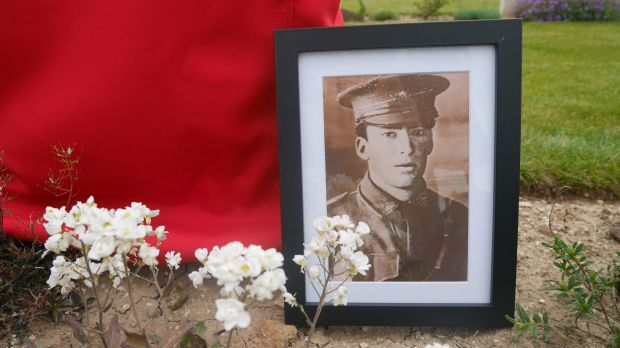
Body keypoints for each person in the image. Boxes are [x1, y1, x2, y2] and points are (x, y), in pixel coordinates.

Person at [328, 74, 468, 282]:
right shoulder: (331, 221)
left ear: (430, 143)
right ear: (363, 147)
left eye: (418, 132)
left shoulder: (458, 217)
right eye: (389, 134)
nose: (407, 148)